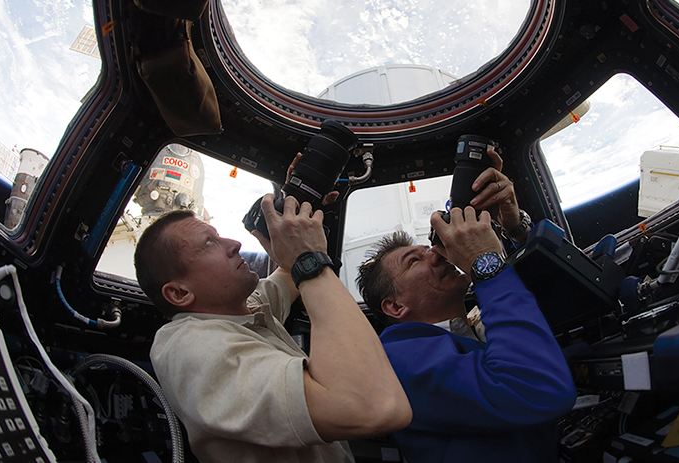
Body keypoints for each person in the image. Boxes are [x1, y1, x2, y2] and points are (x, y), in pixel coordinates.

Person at [134, 189, 412, 463]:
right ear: (180, 293)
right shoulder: (195, 349)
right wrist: (310, 261)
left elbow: (287, 272)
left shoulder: (240, 313)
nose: (234, 244)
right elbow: (376, 407)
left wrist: (292, 203)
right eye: (209, 244)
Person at [355, 148, 576, 463]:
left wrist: (513, 227)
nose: (435, 253)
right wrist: (485, 262)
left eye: (427, 248)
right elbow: (537, 388)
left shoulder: (478, 323)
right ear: (395, 306)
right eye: (413, 261)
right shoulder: (398, 359)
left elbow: (563, 305)